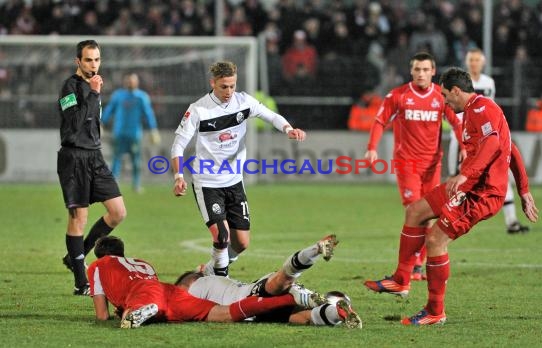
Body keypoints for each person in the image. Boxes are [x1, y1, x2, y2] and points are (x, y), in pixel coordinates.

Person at [364, 67, 539, 325]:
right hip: (466, 185)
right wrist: (523, 190)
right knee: (415, 211)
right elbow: (510, 147)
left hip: (481, 194)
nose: (444, 100)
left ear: (457, 91)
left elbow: (494, 145)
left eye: (446, 95)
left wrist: (466, 176)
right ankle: (401, 280)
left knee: (435, 240)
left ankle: (435, 311)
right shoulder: (471, 112)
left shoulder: (482, 109)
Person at [170, 61, 306, 277]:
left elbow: (270, 115)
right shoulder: (199, 109)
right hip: (208, 183)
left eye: (232, 86)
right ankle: (220, 286)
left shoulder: (243, 101)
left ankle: (208, 271)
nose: (229, 91)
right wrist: (178, 176)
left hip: (234, 182)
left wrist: (288, 128)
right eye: (224, 86)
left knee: (241, 243)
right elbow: (178, 145)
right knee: (222, 237)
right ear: (212, 83)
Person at [364, 52, 465, 280]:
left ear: (433, 71)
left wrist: (465, 146)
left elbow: (456, 123)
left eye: (425, 69)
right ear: (411, 71)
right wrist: (372, 147)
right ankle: (416, 264)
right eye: (417, 69)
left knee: (427, 215)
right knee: (414, 210)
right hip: (407, 163)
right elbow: (380, 121)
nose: (421, 73)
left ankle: (420, 263)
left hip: (432, 164)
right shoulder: (398, 95)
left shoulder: (440, 98)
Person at [88, 236, 319, 328]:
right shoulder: (142, 262)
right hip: (170, 292)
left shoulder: (98, 265)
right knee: (221, 314)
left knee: (137, 311)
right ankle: (297, 298)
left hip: (145, 293)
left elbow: (101, 315)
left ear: (100, 256)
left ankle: (139, 313)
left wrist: (115, 311)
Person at [57, 40, 126, 296]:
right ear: (78, 61)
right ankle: (80, 281)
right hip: (73, 158)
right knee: (79, 218)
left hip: (94, 157)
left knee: (118, 212)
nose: (93, 65)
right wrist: (94, 94)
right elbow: (74, 123)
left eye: (97, 59)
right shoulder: (70, 87)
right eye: (88, 60)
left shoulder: (92, 84)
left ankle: (76, 255)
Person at [175, 234, 362, 328]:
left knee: (282, 282)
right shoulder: (209, 280)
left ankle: (307, 286)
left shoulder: (198, 284)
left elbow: (188, 283)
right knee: (302, 317)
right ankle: (337, 312)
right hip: (254, 309)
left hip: (248, 299)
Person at [448, 48, 530, 234]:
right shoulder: (460, 83)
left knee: (498, 177)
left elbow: (487, 111)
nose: (474, 63)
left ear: (483, 62)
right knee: (458, 178)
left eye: (477, 59)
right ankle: (451, 214)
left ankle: (511, 221)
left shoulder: (488, 83)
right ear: (467, 62)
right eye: (471, 59)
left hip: (482, 138)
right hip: (462, 138)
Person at [102, 73, 161, 193]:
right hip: (119, 133)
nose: (130, 83)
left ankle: (136, 184)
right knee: (116, 159)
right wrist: (102, 122)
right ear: (124, 82)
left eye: (132, 80)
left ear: (137, 82)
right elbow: (109, 110)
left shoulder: (141, 97)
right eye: (128, 80)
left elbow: (148, 114)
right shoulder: (118, 96)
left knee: (136, 161)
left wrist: (153, 129)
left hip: (134, 135)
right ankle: (114, 184)